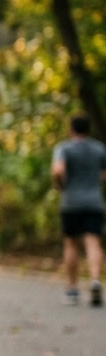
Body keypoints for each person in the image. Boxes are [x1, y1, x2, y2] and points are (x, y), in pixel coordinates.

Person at [51, 113, 106, 306]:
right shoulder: (100, 149)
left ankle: (73, 289)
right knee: (93, 242)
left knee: (71, 244)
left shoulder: (63, 148)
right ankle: (95, 280)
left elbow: (58, 170)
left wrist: (60, 185)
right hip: (94, 202)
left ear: (71, 129)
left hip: (71, 202)